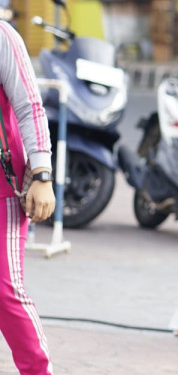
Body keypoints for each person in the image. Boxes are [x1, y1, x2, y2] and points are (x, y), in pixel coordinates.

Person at [0, 20, 55, 374]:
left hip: (3, 189)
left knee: (5, 290)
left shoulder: (3, 37)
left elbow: (30, 106)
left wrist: (42, 175)